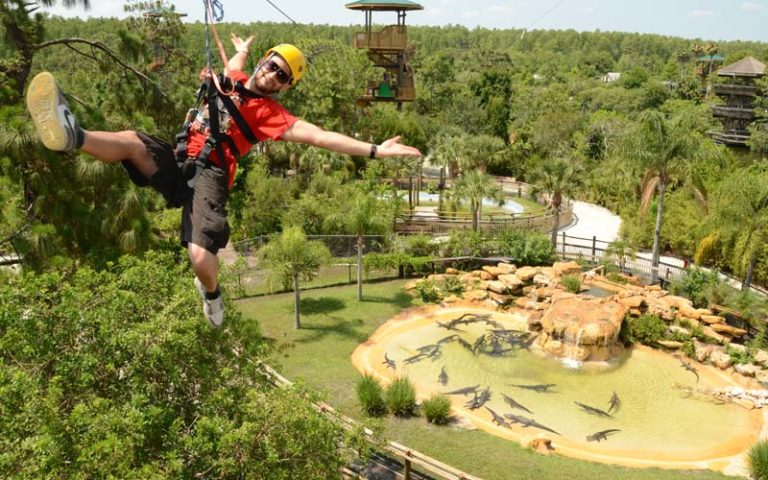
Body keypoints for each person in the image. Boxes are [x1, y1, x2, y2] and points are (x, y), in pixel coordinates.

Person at [26, 33, 422, 327]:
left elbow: (320, 137)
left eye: (282, 76)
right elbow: (234, 64)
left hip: (211, 176)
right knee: (132, 141)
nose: (272, 74)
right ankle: (72, 135)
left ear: (286, 87)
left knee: (200, 258)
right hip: (182, 159)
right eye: (271, 65)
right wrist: (243, 49)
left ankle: (212, 295)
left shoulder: (271, 115)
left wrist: (375, 150)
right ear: (264, 61)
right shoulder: (233, 78)